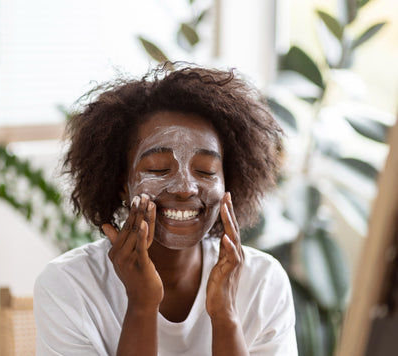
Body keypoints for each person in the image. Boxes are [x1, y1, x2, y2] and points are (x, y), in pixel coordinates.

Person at [34, 64, 297, 355]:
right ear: (122, 183)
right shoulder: (69, 287)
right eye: (159, 168)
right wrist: (142, 306)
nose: (185, 187)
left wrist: (225, 318)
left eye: (205, 170)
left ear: (228, 183)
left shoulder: (263, 283)